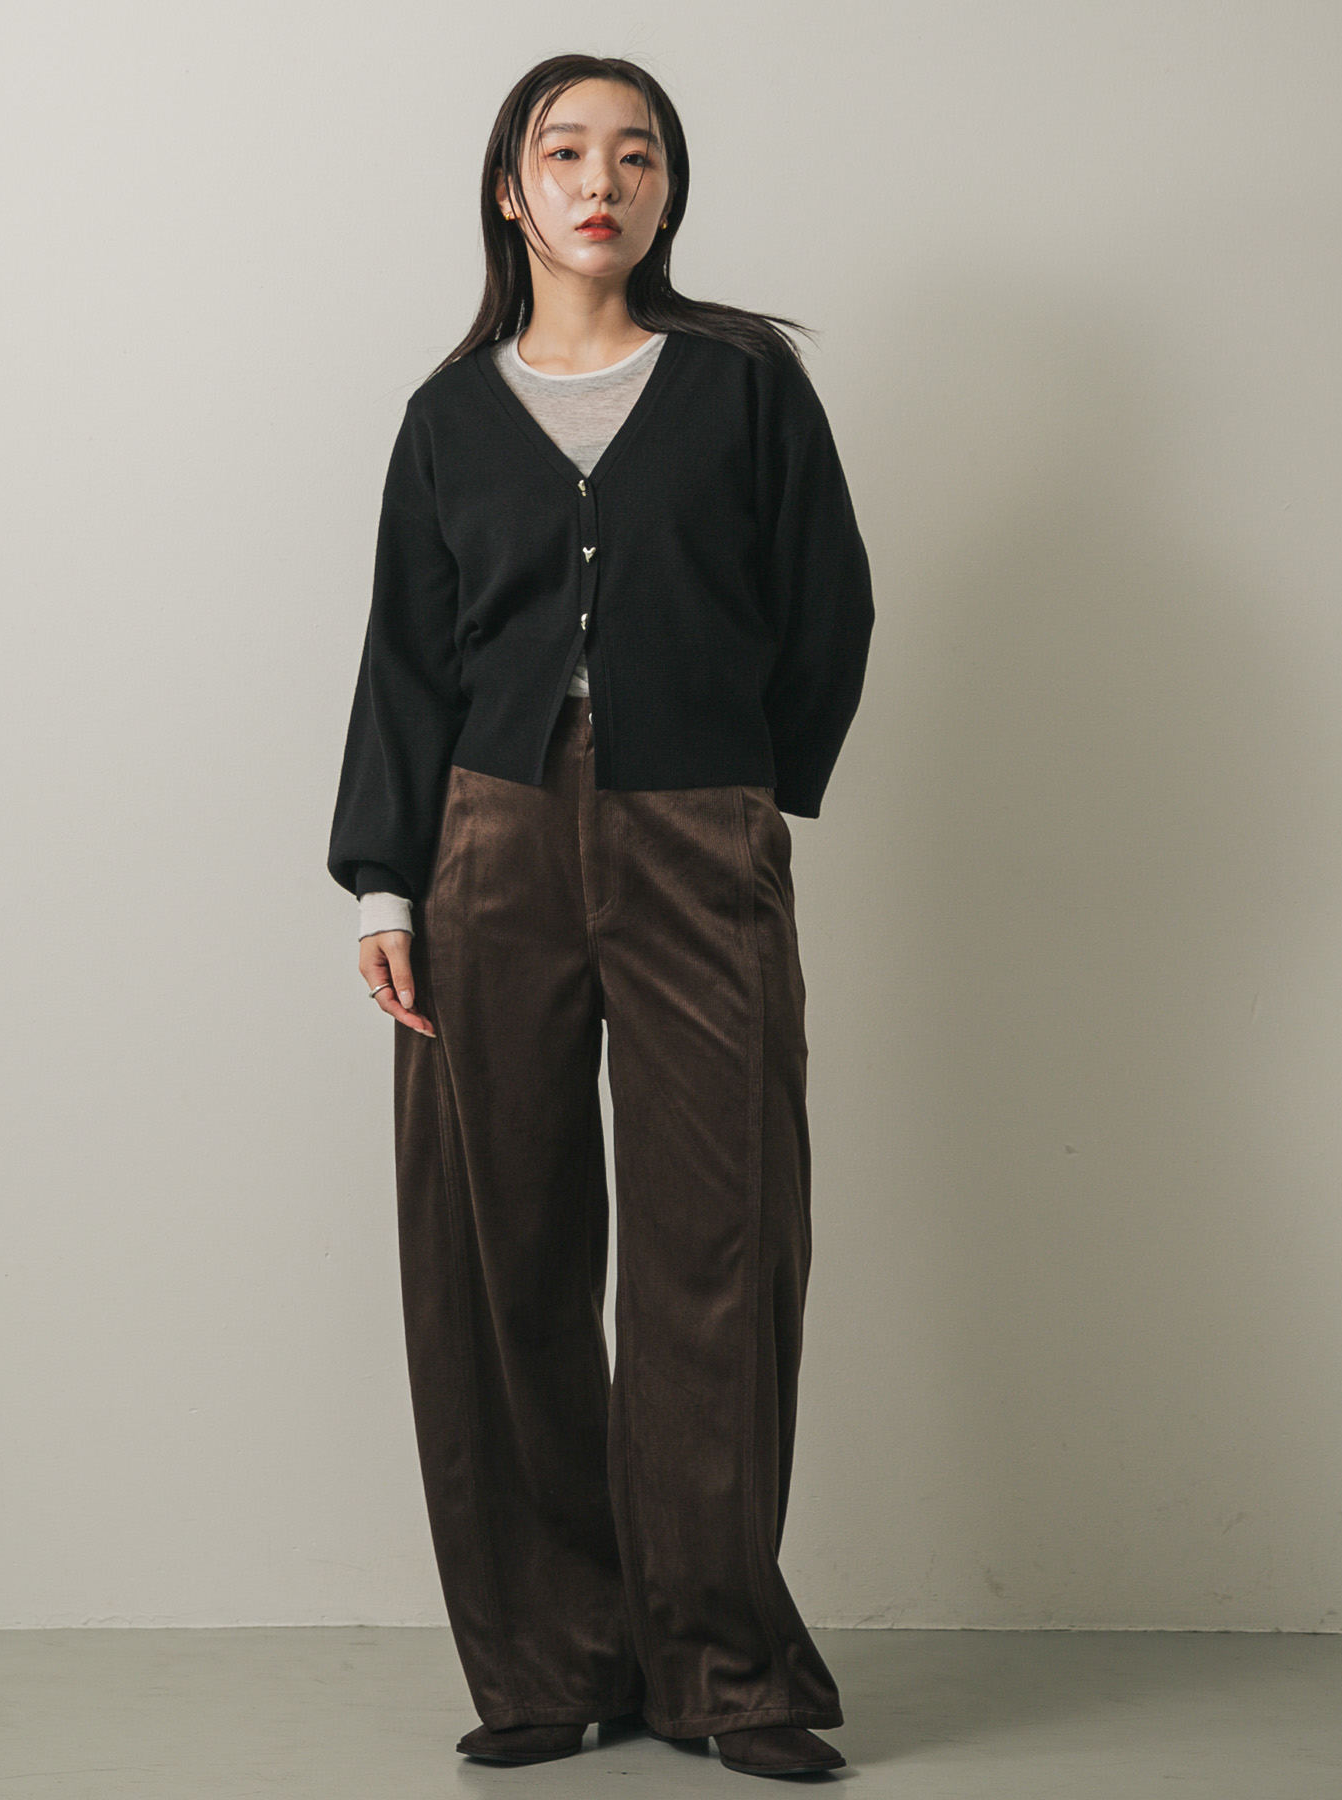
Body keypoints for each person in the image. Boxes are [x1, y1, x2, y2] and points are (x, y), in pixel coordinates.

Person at [328, 52, 873, 1780]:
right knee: (499, 1248)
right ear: (512, 188)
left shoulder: (744, 384)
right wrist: (387, 881)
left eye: (637, 155)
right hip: (485, 848)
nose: (601, 181)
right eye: (565, 151)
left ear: (666, 192)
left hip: (698, 835)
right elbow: (406, 663)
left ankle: (724, 1667)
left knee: (725, 1238)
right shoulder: (447, 418)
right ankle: (549, 1661)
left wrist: (739, 783)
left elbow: (830, 606)